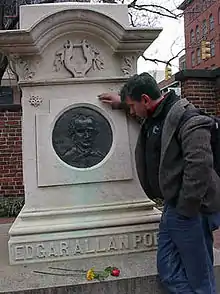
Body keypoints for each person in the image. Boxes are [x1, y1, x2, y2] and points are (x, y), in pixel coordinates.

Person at [98, 72, 220, 294]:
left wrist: (186, 208)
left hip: (190, 211)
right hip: (172, 208)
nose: (132, 111)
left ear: (145, 99)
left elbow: (200, 166)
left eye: (132, 106)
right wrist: (121, 103)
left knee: (200, 278)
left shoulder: (189, 119)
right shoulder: (154, 115)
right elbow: (143, 117)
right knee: (168, 272)